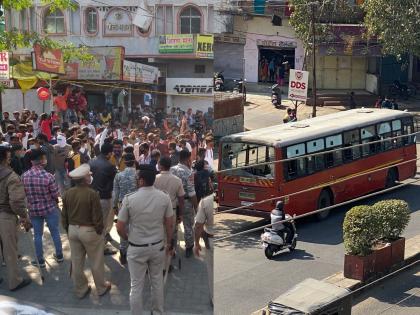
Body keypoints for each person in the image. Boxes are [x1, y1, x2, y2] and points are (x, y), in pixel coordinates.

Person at [116, 164, 174, 315]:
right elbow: (169, 224)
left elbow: (120, 227)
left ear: (141, 180)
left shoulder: (129, 199)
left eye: (137, 178)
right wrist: (170, 243)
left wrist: (128, 238)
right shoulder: (164, 197)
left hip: (136, 247)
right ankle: (157, 312)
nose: (136, 180)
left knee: (136, 286)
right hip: (157, 247)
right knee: (157, 282)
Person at [62, 164, 111, 299]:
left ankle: (81, 289)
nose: (90, 177)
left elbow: (64, 215)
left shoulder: (67, 193)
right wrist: (100, 231)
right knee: (96, 261)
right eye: (89, 175)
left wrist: (68, 229)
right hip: (89, 231)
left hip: (73, 230)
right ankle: (101, 287)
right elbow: (97, 216)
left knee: (77, 262)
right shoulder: (92, 193)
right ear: (84, 179)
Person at [22, 149, 63, 268]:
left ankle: (40, 260)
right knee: (55, 232)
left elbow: (23, 194)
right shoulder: (48, 176)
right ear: (42, 161)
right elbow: (56, 195)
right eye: (44, 158)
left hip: (34, 210)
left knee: (37, 235)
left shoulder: (24, 176)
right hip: (49, 208)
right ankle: (59, 255)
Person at [0, 146, 32, 291]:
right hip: (5, 216)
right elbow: (16, 202)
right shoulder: (11, 176)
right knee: (10, 251)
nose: (10, 159)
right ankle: (15, 281)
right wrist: (24, 216)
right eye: (8, 157)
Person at [154, 157, 185, 270]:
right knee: (170, 236)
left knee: (158, 235)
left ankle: (157, 261)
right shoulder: (177, 180)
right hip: (172, 211)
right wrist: (181, 214)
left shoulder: (155, 178)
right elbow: (181, 199)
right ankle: (168, 261)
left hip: (157, 211)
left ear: (161, 166)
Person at [89, 143, 117, 255]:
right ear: (109, 153)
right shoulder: (110, 166)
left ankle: (93, 244)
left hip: (91, 196)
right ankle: (101, 247)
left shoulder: (91, 161)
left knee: (93, 221)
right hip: (104, 198)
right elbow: (113, 184)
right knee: (103, 224)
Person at [171, 149, 198, 258]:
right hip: (186, 202)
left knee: (173, 226)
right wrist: (196, 207)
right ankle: (189, 248)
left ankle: (172, 248)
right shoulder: (188, 172)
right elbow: (191, 193)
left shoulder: (171, 170)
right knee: (188, 225)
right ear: (188, 158)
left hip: (173, 203)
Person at [112, 153, 138, 265]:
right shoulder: (138, 175)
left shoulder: (119, 175)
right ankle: (136, 252)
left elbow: (115, 192)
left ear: (124, 162)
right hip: (136, 204)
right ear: (134, 161)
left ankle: (123, 254)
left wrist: (114, 206)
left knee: (123, 228)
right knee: (136, 228)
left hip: (122, 204)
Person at [194, 192, 214, 306]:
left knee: (212, 272)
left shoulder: (205, 202)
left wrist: (196, 243)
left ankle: (214, 299)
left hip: (211, 241)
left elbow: (198, 225)